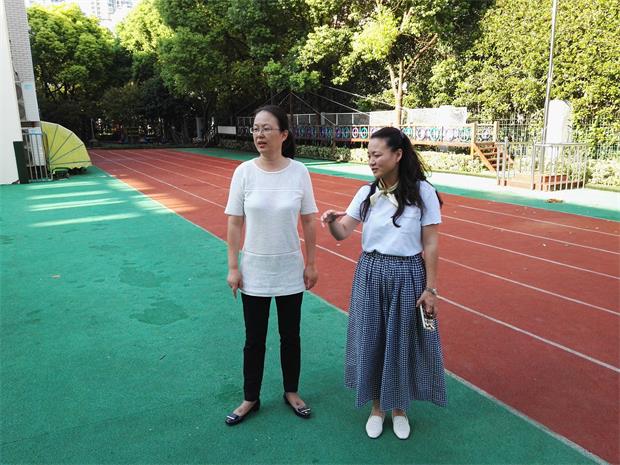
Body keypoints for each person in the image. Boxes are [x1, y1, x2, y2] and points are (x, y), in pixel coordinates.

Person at [320, 126, 447, 439]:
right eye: (369, 155)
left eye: (377, 155)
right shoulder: (367, 194)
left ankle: (399, 408)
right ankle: (377, 408)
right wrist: (332, 223)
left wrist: (431, 289)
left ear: (397, 155)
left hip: (408, 274)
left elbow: (430, 243)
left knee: (402, 341)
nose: (371, 161)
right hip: (371, 272)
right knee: (373, 340)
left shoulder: (423, 193)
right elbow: (343, 232)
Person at [224, 105, 318, 426]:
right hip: (254, 270)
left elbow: (309, 221)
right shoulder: (244, 172)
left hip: (290, 268)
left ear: (284, 134)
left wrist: (311, 264)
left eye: (266, 128)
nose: (259, 134)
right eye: (255, 129)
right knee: (254, 339)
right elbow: (234, 223)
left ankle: (291, 391)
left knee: (291, 336)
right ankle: (250, 397)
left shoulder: (299, 172)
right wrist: (233, 267)